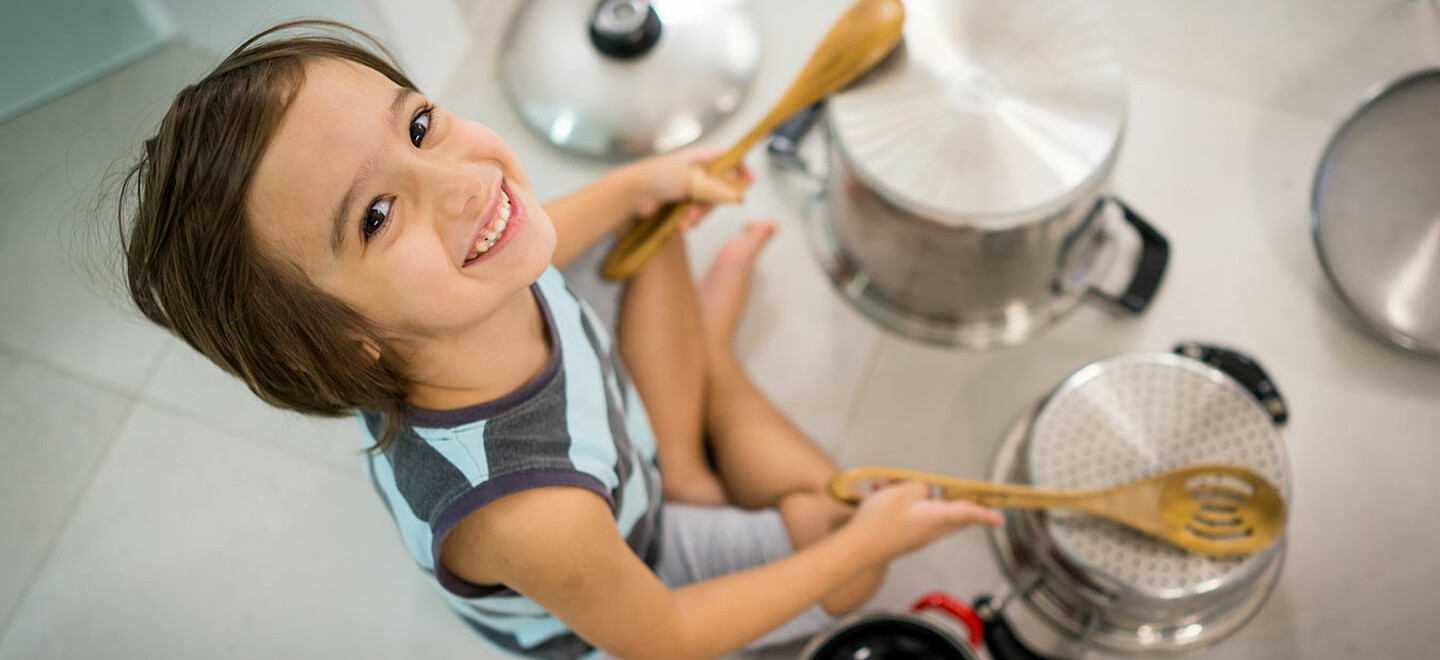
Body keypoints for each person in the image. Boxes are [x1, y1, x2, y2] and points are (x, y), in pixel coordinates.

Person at [116, 20, 1002, 660]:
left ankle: (689, 444)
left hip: (614, 440)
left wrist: (639, 186)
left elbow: (552, 237)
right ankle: (710, 395)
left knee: (639, 231)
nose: (460, 184)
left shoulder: (453, 288)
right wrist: (862, 547)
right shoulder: (528, 512)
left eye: (419, 125)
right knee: (844, 567)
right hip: (632, 554)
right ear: (348, 340)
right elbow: (665, 636)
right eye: (379, 216)